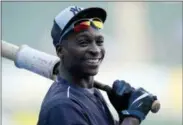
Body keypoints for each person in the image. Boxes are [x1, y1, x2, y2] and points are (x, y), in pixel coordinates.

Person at [37, 6, 157, 125]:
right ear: (60, 51)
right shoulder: (63, 106)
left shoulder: (92, 93)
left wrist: (123, 115)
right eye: (83, 42)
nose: (96, 50)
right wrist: (132, 118)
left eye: (99, 42)